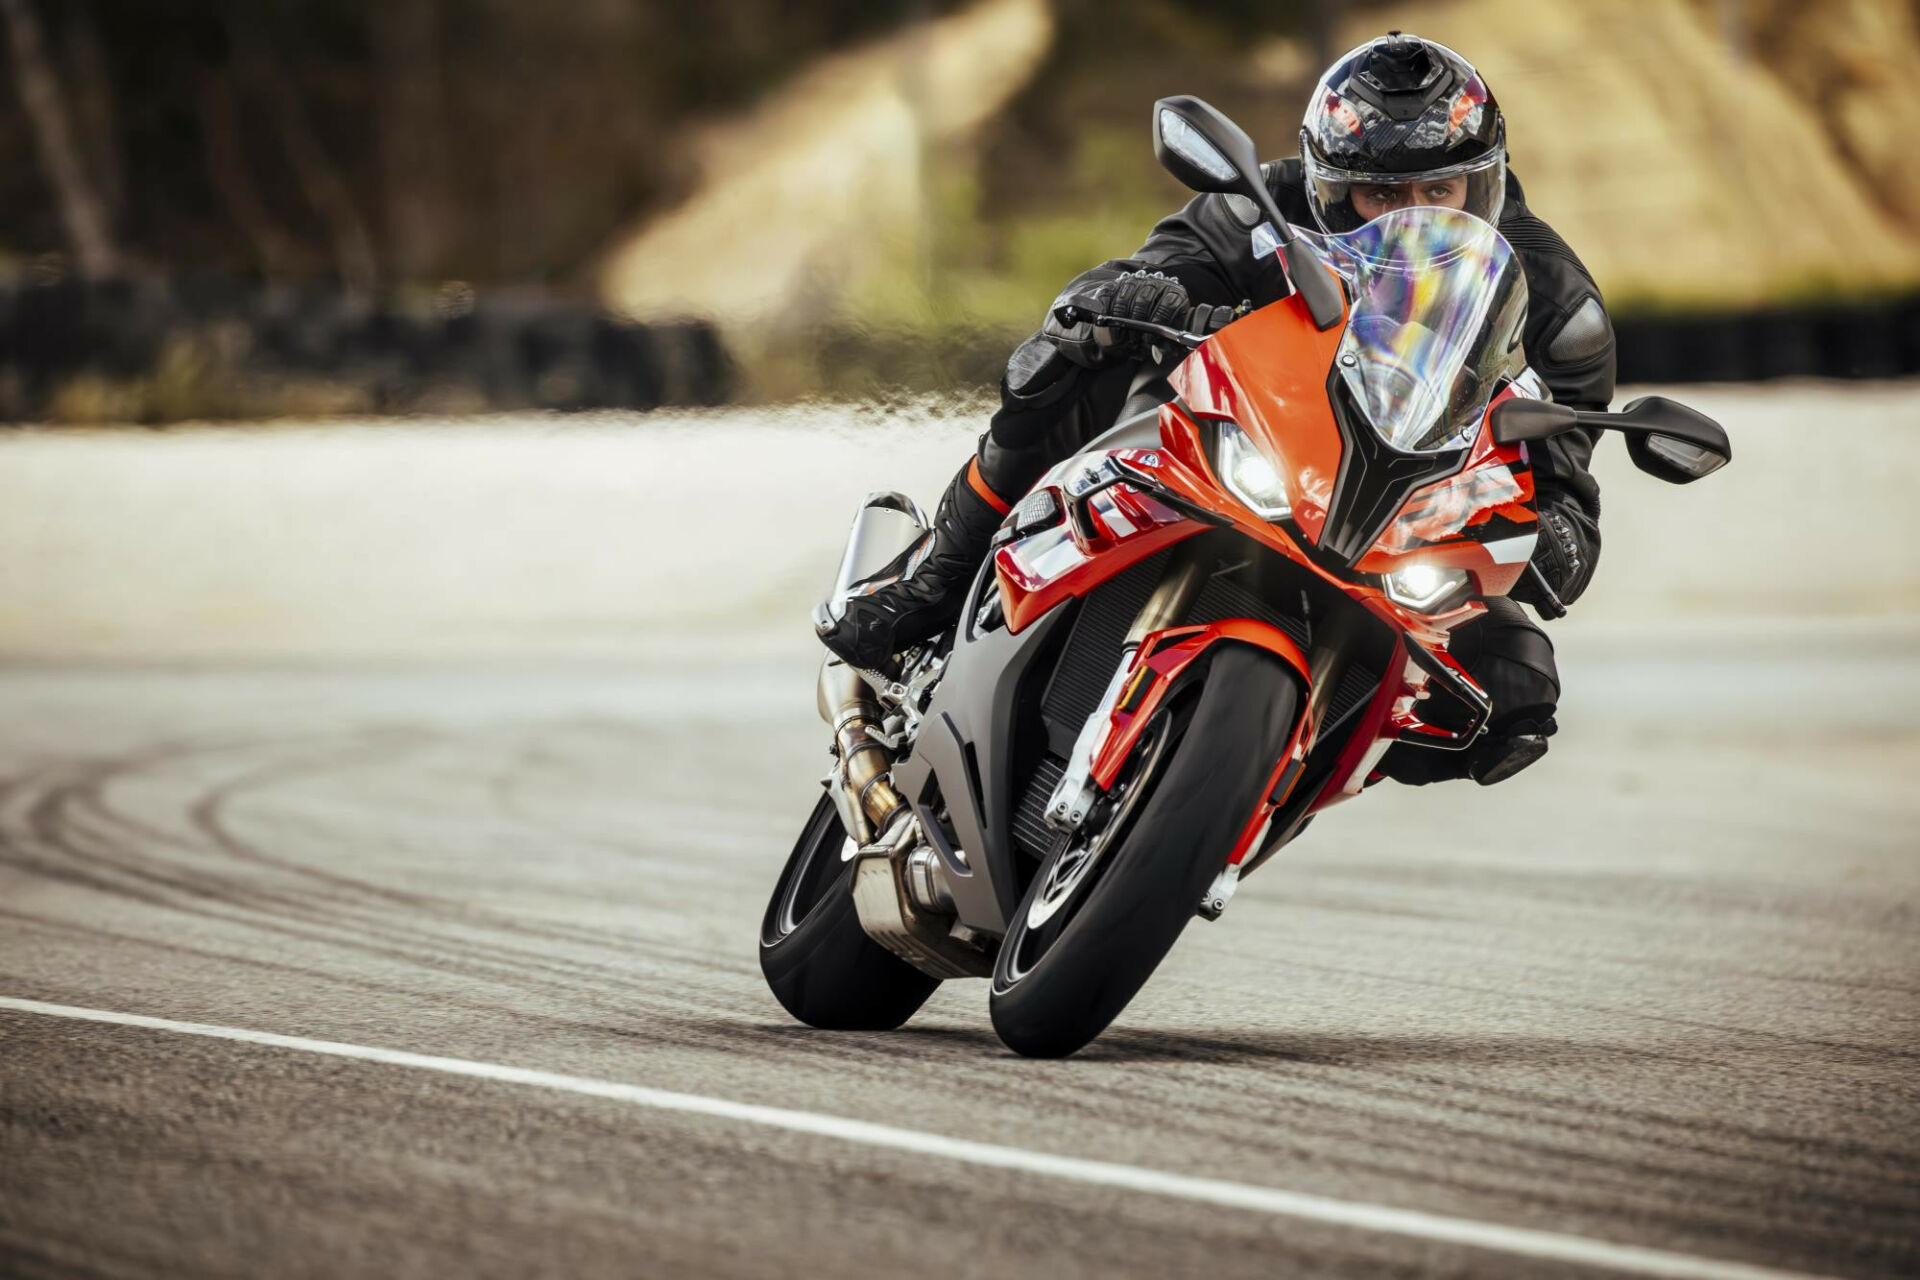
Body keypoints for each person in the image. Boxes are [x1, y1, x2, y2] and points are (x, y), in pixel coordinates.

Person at [819, 32, 1614, 787]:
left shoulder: (1556, 305)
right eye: (1381, 193)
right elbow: (1123, 283)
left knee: (1515, 684)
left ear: (1484, 181)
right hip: (1226, 444)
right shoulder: (1261, 207)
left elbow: (1564, 484)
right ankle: (935, 576)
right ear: (1331, 188)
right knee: (1069, 362)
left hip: (1399, 523)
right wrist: (1126, 300)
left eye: (1440, 189)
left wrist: (1557, 537)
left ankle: (1270, 774)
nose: (1413, 212)